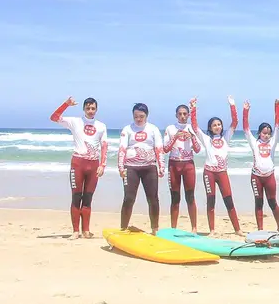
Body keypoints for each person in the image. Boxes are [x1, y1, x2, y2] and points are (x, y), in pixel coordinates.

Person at [50, 96, 108, 239]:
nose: (90, 110)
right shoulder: (75, 122)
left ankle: (86, 230)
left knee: (88, 198)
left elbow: (104, 146)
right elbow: (54, 117)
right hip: (78, 164)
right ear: (83, 109)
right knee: (76, 197)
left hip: (93, 165)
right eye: (87, 108)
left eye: (93, 108)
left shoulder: (101, 126)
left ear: (96, 109)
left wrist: (102, 165)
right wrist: (66, 104)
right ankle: (76, 231)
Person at [190, 96, 242, 235]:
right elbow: (194, 127)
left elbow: (235, 122)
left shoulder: (226, 138)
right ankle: (212, 230)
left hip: (222, 173)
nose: (217, 127)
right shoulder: (206, 139)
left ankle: (237, 230)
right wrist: (193, 108)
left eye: (219, 124)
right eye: (214, 125)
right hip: (209, 173)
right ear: (210, 128)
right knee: (211, 201)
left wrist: (232, 105)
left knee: (228, 200)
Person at [118, 103, 164, 233]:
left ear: (146, 116)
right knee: (129, 198)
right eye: (136, 116)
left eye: (141, 116)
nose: (139, 119)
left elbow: (159, 148)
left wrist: (161, 166)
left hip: (149, 168)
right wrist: (121, 167)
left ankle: (155, 229)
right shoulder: (127, 129)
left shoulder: (153, 129)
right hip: (131, 168)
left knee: (153, 198)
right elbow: (122, 148)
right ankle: (123, 228)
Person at [244, 98, 279, 232]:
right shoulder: (254, 143)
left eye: (268, 133)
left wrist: (276, 107)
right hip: (256, 177)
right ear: (259, 133)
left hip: (269, 177)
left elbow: (278, 124)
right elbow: (246, 128)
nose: (266, 136)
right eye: (264, 133)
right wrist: (246, 110)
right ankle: (260, 229)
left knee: (273, 202)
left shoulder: (273, 143)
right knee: (259, 202)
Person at [162, 104, 202, 233]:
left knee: (190, 196)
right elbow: (165, 149)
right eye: (180, 114)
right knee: (175, 197)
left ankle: (194, 228)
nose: (182, 116)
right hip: (174, 164)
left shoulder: (193, 128)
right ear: (176, 115)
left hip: (188, 165)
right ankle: (173, 228)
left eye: (185, 114)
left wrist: (193, 137)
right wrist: (175, 136)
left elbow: (197, 150)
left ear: (189, 115)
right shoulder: (170, 128)